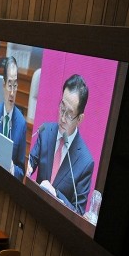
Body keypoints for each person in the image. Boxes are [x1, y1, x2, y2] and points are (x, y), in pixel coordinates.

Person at [27, 74, 94, 215]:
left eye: (69, 114)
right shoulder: (46, 132)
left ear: (80, 119)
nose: (62, 118)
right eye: (62, 107)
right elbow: (31, 162)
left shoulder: (85, 162)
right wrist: (27, 166)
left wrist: (55, 195)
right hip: (32, 211)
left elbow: (78, 212)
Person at [0, 56, 27, 179]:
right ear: (4, 85)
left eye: (15, 86)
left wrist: (13, 169)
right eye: (10, 85)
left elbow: (21, 171)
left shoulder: (21, 124)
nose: (12, 92)